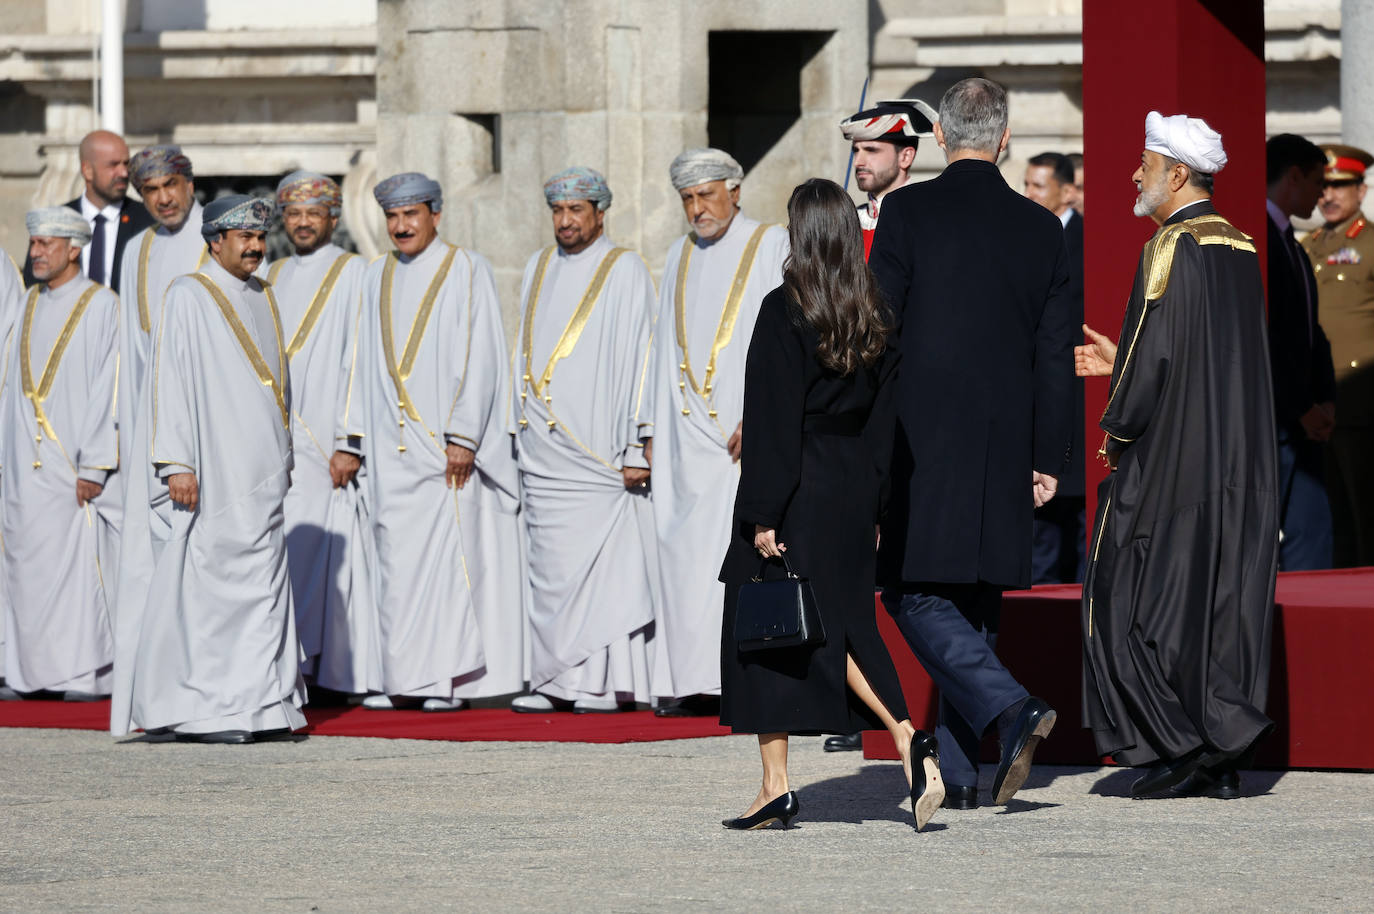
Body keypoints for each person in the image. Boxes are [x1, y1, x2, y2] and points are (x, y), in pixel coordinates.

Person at [869, 77, 1070, 812]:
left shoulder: (907, 209)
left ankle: (1009, 706)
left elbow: (877, 329)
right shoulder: (1041, 228)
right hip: (1005, 439)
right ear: (1005, 139)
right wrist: (1050, 454)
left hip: (920, 437)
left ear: (944, 139)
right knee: (975, 602)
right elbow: (1055, 354)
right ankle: (956, 772)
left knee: (911, 588)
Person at [718, 178, 943, 832]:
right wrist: (873, 502)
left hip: (796, 485)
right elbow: (886, 424)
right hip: (851, 488)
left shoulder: (783, 309)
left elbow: (771, 420)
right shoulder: (876, 313)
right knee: (838, 624)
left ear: (802, 235)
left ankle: (812, 770)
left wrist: (762, 511)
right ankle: (805, 774)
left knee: (772, 631)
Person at [1074, 111, 1279, 799]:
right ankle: (1214, 747)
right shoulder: (1242, 245)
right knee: (1213, 599)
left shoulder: (1170, 245)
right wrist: (1123, 365)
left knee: (1130, 595)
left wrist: (1116, 421)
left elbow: (1152, 357)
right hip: (1236, 459)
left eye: (1146, 165)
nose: (1136, 176)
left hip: (1173, 460)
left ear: (1177, 174)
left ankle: (1181, 743)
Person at [111, 195, 306, 744]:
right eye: (241, 236)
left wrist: (283, 451)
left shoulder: (264, 296)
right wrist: (177, 461)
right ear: (213, 241)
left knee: (262, 588)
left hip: (261, 472)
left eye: (258, 236)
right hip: (209, 472)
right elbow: (168, 379)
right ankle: (210, 710)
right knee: (213, 590)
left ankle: (265, 706)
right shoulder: (188, 295)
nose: (253, 246)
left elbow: (278, 384)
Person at [350, 173, 522, 712]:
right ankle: (404, 678)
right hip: (388, 450)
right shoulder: (374, 273)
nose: (401, 227)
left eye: (411, 215)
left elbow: (482, 355)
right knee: (396, 565)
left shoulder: (467, 268)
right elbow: (357, 360)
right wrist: (352, 438)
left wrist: (465, 434)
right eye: (393, 217)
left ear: (435, 215)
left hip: (445, 447)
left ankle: (446, 681)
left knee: (448, 565)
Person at [643, 149, 789, 718]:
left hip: (740, 435)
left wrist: (765, 417)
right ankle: (690, 678)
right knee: (681, 557)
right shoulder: (679, 253)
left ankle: (735, 679)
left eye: (706, 195)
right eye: (687, 199)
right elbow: (658, 349)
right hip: (682, 439)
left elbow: (787, 339)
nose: (697, 208)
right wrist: (649, 428)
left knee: (732, 557)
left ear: (734, 188)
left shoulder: (769, 242)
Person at [508, 167, 658, 714]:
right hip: (543, 450)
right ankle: (554, 680)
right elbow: (521, 351)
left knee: (604, 567)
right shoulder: (537, 266)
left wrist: (639, 440)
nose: (566, 221)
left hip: (600, 449)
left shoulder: (625, 269)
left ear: (600, 212)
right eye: (558, 211)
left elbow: (645, 357)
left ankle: (602, 684)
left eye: (576, 210)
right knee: (549, 566)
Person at [265, 171, 380, 696]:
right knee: (283, 552)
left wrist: (348, 439)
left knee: (323, 556)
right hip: (277, 439)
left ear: (333, 218)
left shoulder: (355, 271)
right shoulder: (274, 272)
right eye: (294, 213)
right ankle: (288, 664)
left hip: (326, 442)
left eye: (314, 213)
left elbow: (360, 355)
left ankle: (321, 669)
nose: (304, 222)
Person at [0, 207, 118, 702]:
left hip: (72, 466)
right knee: (24, 569)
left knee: (72, 571)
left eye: (46, 244)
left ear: (74, 247)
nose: (36, 253)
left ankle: (77, 675)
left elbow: (108, 387)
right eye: (33, 244)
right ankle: (26, 675)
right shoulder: (26, 302)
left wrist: (95, 462)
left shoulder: (101, 305)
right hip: (23, 467)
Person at [115, 145, 206, 481]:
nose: (164, 198)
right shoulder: (137, 248)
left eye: (171, 184)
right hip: (148, 416)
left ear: (190, 185)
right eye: (151, 190)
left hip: (209, 411)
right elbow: (130, 348)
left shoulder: (227, 236)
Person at [1302, 144, 1374, 567]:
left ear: (1360, 190)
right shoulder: (1309, 244)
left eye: (1340, 186)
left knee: (1365, 515)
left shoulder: (1370, 243)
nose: (1328, 195)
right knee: (1328, 520)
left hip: (1359, 405)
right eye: (1323, 185)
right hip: (1313, 405)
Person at [1266, 133, 1335, 571]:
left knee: (1312, 541)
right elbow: (1267, 338)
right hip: (1274, 421)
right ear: (1293, 177)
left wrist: (1326, 397)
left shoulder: (1291, 243)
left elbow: (1312, 333)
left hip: (1303, 422)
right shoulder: (1259, 240)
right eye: (1316, 182)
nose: (1322, 194)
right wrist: (1302, 406)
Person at [1024, 152, 1086, 584]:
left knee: (1082, 530)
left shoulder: (1088, 239)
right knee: (1040, 536)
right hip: (1035, 398)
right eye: (1025, 184)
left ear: (1066, 191)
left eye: (1037, 186)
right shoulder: (1022, 236)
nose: (1028, 194)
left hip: (1079, 397)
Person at [22, 131, 155, 294]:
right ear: (87, 170)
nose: (123, 173)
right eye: (113, 165)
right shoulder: (55, 221)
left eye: (126, 164)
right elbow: (34, 284)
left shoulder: (148, 221)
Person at [839, 98, 937, 259]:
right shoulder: (848, 223)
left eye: (871, 150)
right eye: (856, 150)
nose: (858, 162)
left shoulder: (927, 221)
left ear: (905, 157)